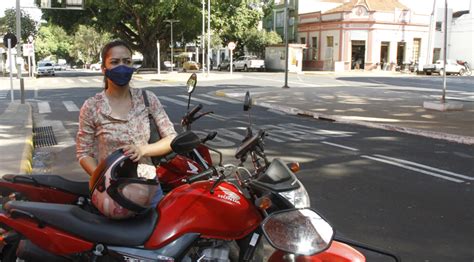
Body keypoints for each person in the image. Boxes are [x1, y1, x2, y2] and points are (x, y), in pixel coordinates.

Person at [76, 39, 177, 219]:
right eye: (115, 62)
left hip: (149, 189)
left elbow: (171, 138)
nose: (122, 67)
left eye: (127, 61)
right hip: (111, 195)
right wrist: (102, 178)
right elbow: (83, 153)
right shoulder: (92, 107)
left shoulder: (148, 99)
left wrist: (142, 149)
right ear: (104, 69)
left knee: (157, 241)